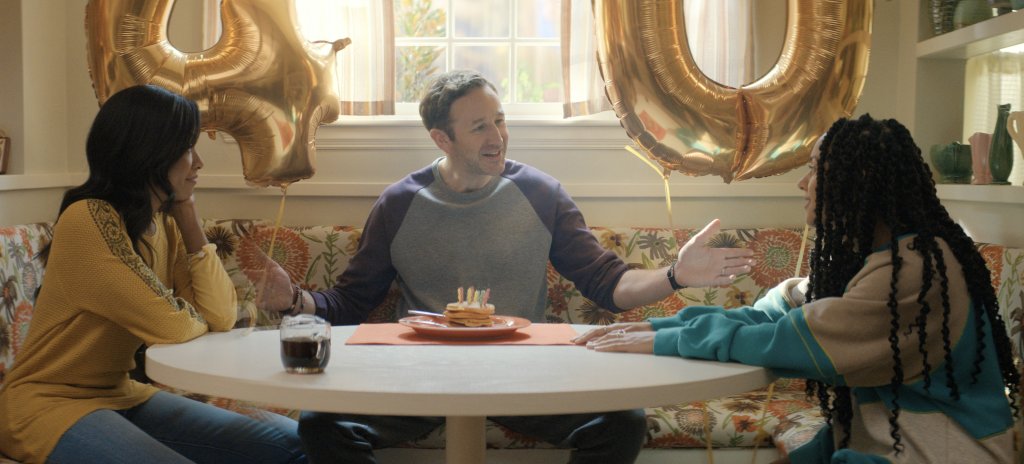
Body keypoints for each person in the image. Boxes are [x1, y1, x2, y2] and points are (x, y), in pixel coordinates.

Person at [256, 69, 754, 463]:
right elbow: (350, 301)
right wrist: (294, 302)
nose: (498, 136)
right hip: (417, 377)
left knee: (622, 421)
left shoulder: (540, 193)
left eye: (499, 120)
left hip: (524, 373)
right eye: (479, 127)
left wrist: (675, 275)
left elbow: (607, 283)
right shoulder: (398, 203)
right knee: (321, 424)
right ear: (441, 139)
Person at [573, 114, 1020, 463]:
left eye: (813, 170)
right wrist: (658, 329)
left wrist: (668, 339)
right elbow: (776, 311)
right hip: (883, 438)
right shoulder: (870, 259)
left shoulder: (916, 271)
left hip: (937, 450)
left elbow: (796, 337)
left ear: (857, 180)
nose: (803, 184)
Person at [0, 85, 307, 463]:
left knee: (294, 443)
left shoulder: (163, 223)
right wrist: (188, 316)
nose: (198, 164)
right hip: (46, 404)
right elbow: (174, 326)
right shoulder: (89, 218)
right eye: (187, 148)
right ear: (150, 152)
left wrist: (190, 222)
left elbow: (221, 317)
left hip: (120, 393)